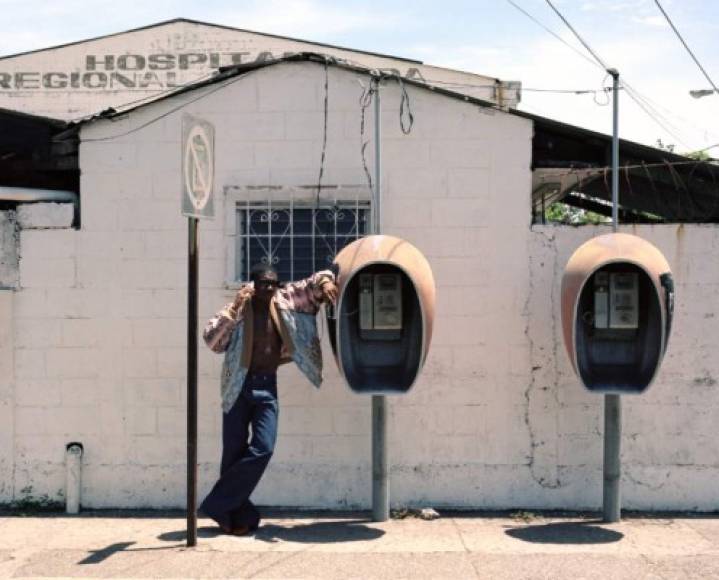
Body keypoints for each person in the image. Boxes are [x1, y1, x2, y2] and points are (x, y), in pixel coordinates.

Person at [200, 263, 338, 535]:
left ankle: (216, 504)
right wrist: (233, 310)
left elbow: (317, 280)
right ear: (252, 284)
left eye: (272, 283)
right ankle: (237, 516)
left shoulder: (285, 300)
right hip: (237, 387)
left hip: (267, 387)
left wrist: (325, 284)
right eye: (262, 283)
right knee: (233, 454)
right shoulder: (239, 308)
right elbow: (212, 341)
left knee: (264, 447)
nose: (267, 288)